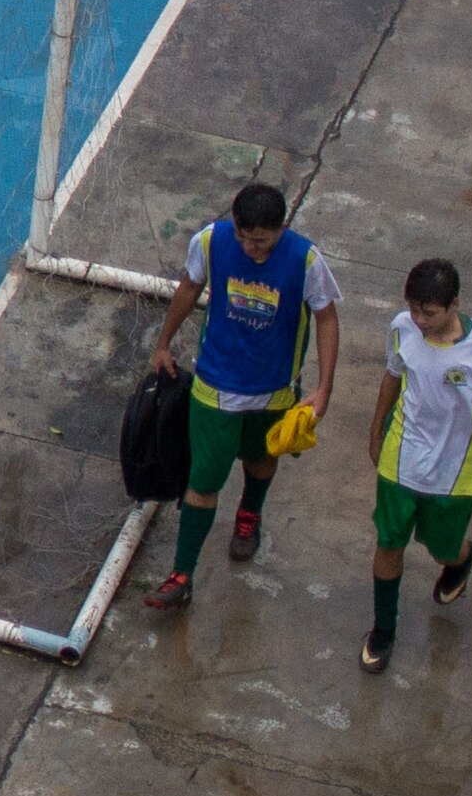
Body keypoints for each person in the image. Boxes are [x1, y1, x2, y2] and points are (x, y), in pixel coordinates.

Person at [139, 177, 340, 611]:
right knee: (203, 481)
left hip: (275, 393)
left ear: (282, 228)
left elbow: (325, 318)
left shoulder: (306, 260)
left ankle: (249, 514)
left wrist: (323, 388)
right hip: (215, 387)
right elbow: (190, 288)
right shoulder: (211, 242)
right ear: (235, 225)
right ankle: (181, 575)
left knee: (261, 458)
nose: (254, 250)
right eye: (247, 240)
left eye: (264, 241)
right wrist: (163, 343)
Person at [363, 257, 472, 672]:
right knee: (389, 541)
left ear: (454, 304)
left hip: (456, 466)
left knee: (442, 546)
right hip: (401, 455)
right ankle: (383, 631)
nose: (419, 319)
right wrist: (376, 431)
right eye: (414, 309)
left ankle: (459, 559)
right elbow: (392, 375)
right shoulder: (401, 328)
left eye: (429, 312)